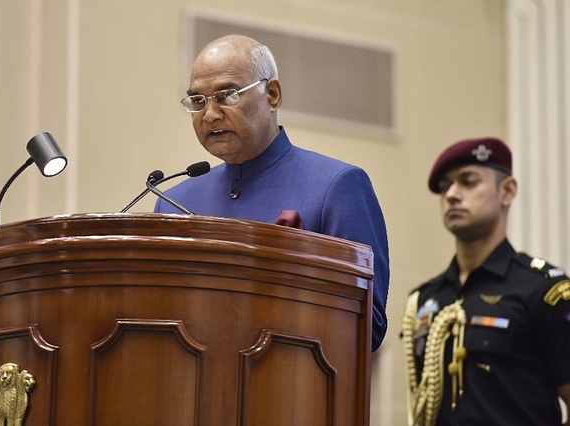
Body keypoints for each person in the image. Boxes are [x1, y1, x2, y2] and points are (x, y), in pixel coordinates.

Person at [153, 34, 390, 351]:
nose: (209, 114)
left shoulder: (337, 186)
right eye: (198, 101)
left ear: (273, 95)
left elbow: (366, 328)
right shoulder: (174, 203)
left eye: (227, 95)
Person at [401, 137, 570, 426]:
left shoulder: (544, 291)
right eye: (444, 186)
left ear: (506, 191)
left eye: (468, 182)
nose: (452, 194)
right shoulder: (426, 299)